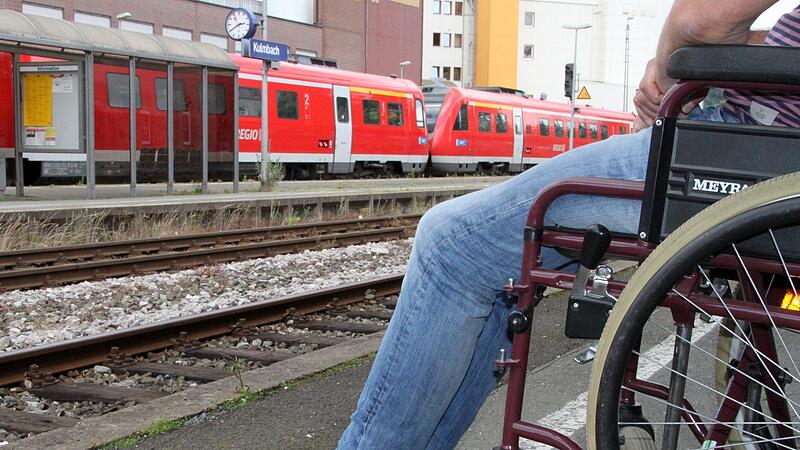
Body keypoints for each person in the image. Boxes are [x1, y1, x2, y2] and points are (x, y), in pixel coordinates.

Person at [338, 1, 797, 448]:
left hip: (750, 157)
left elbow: (701, 19)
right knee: (492, 261)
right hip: (773, 165)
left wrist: (667, 71)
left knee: (451, 243)